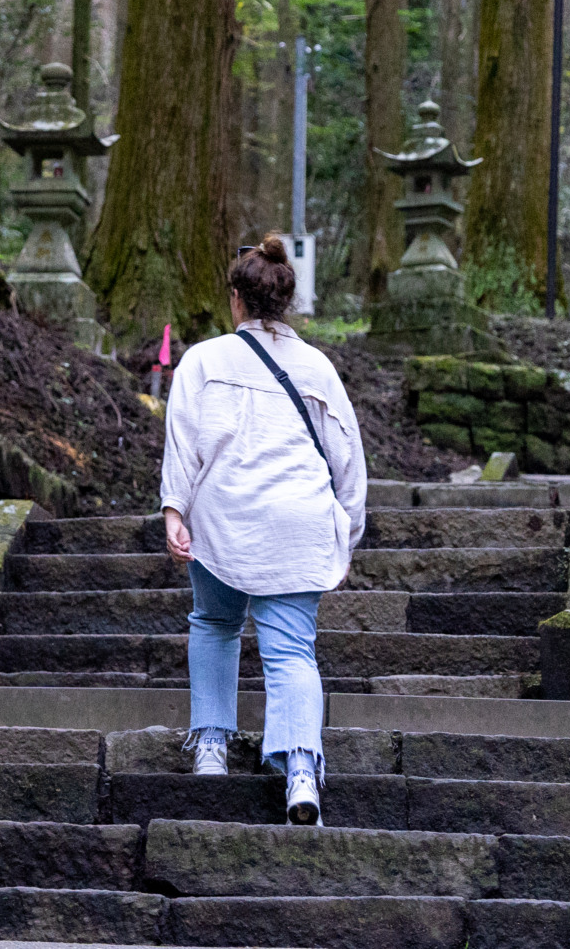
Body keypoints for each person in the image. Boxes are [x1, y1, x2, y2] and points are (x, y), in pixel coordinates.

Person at [159, 235, 368, 825]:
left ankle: (211, 747)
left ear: (236, 300)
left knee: (216, 623)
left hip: (225, 519)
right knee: (292, 650)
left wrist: (175, 511)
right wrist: (345, 534)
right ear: (285, 301)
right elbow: (348, 461)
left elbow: (183, 445)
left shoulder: (202, 360)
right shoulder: (320, 369)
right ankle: (302, 770)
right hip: (299, 523)